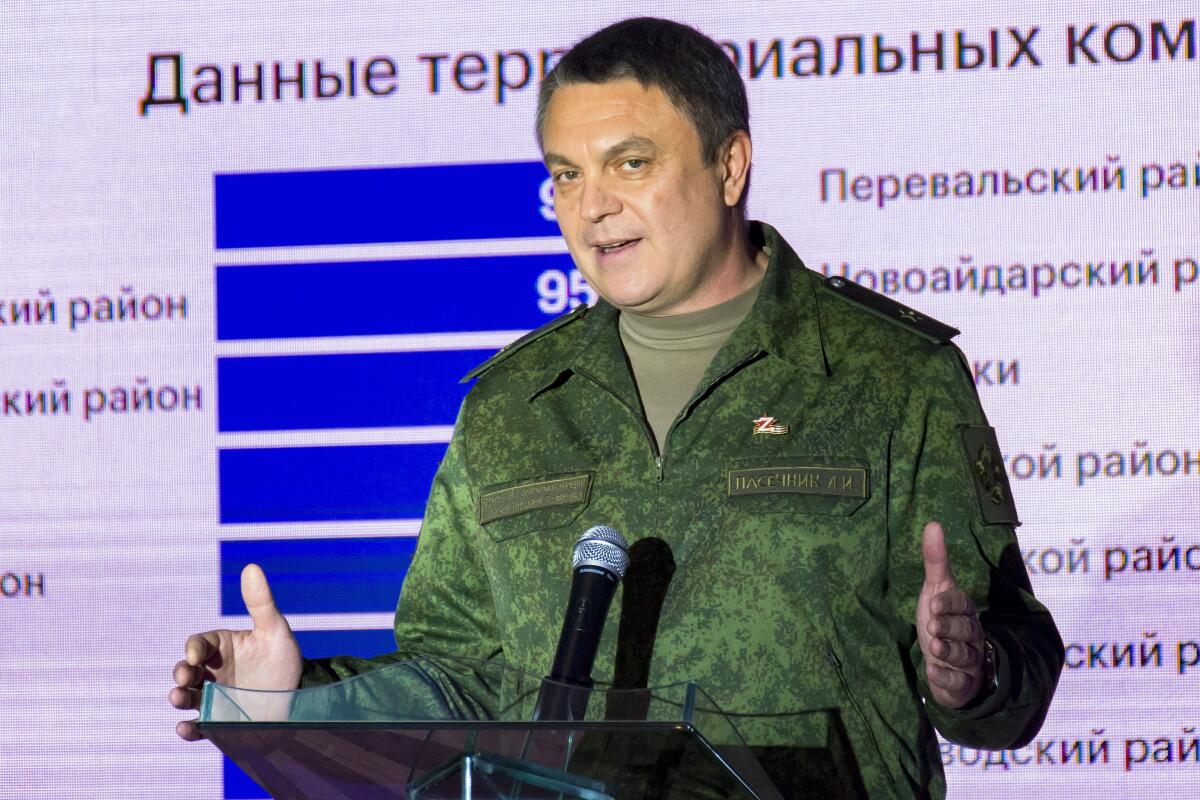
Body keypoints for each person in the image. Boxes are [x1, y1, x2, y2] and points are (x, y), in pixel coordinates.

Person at [171, 17, 1064, 798]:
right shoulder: (513, 404)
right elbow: (459, 679)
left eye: (629, 164)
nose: (592, 207)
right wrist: (288, 701)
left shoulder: (888, 376)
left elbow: (1013, 686)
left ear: (729, 165)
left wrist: (972, 671)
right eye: (565, 175)